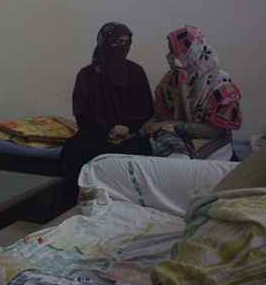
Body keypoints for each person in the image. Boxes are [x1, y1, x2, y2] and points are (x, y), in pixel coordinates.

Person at [56, 22, 154, 207]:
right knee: (73, 147)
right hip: (96, 133)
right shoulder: (86, 76)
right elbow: (82, 117)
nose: (123, 47)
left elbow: (144, 110)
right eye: (118, 42)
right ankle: (66, 207)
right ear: (104, 43)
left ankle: (121, 208)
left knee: (133, 152)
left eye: (127, 43)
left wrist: (126, 127)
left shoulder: (135, 72)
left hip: (128, 135)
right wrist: (106, 135)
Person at [140, 25, 242, 161]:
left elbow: (213, 131)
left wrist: (171, 125)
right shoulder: (171, 79)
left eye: (172, 50)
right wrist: (138, 132)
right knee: (166, 140)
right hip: (180, 134)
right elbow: (158, 118)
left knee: (179, 160)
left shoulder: (221, 84)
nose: (169, 55)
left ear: (188, 52)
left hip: (213, 139)